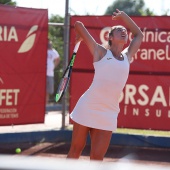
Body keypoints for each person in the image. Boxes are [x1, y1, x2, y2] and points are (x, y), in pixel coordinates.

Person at [67, 9, 143, 161]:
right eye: (119, 30)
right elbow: (78, 24)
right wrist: (81, 36)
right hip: (88, 106)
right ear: (110, 37)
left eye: (125, 31)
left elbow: (139, 35)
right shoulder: (100, 52)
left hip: (109, 112)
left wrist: (124, 17)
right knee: (75, 150)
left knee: (97, 157)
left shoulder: (127, 56)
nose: (124, 31)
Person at [46, 40, 60, 104]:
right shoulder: (44, 50)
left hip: (50, 74)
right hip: (43, 74)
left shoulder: (54, 52)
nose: (49, 44)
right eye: (48, 43)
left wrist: (53, 67)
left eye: (50, 44)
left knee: (48, 91)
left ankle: (45, 106)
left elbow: (58, 59)